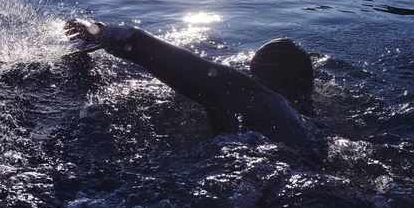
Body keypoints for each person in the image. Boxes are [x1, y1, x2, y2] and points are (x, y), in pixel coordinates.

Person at [64, 19, 321, 157]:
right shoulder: (312, 126)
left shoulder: (248, 92)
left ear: (253, 74)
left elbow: (136, 40)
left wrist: (96, 31)